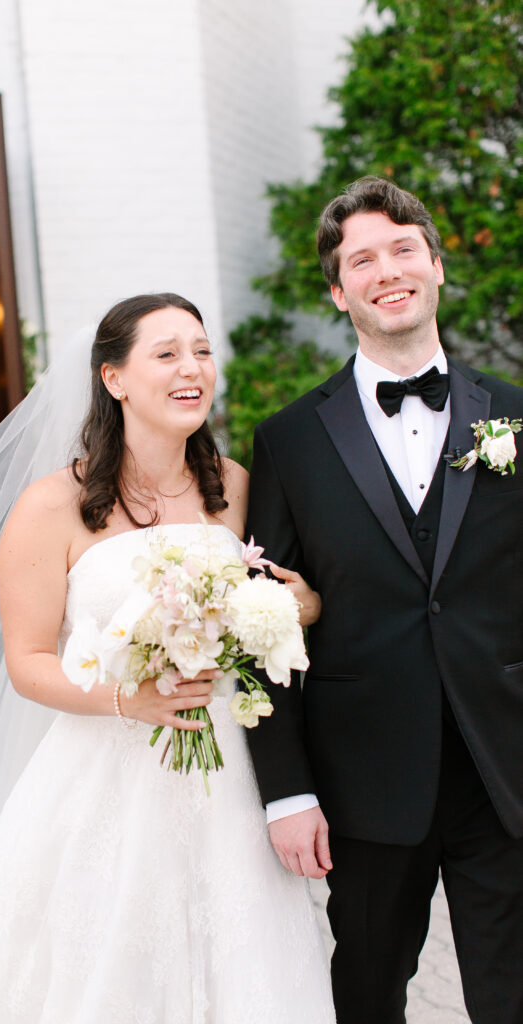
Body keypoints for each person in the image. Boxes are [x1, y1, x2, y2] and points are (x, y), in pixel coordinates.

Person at [0, 293, 336, 1023]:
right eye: (167, 353)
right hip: (104, 777)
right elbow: (26, 661)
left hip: (229, 781)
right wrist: (128, 700)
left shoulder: (236, 486)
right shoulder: (49, 506)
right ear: (113, 378)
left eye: (202, 351)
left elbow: (272, 617)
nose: (192, 369)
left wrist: (298, 604)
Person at [245, 176, 523, 1024]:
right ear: (337, 290)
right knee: (364, 991)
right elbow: (263, 629)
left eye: (403, 250)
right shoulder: (288, 439)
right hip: (362, 778)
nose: (386, 271)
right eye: (360, 259)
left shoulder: (513, 416)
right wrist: (286, 792)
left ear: (437, 267)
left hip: (503, 765)